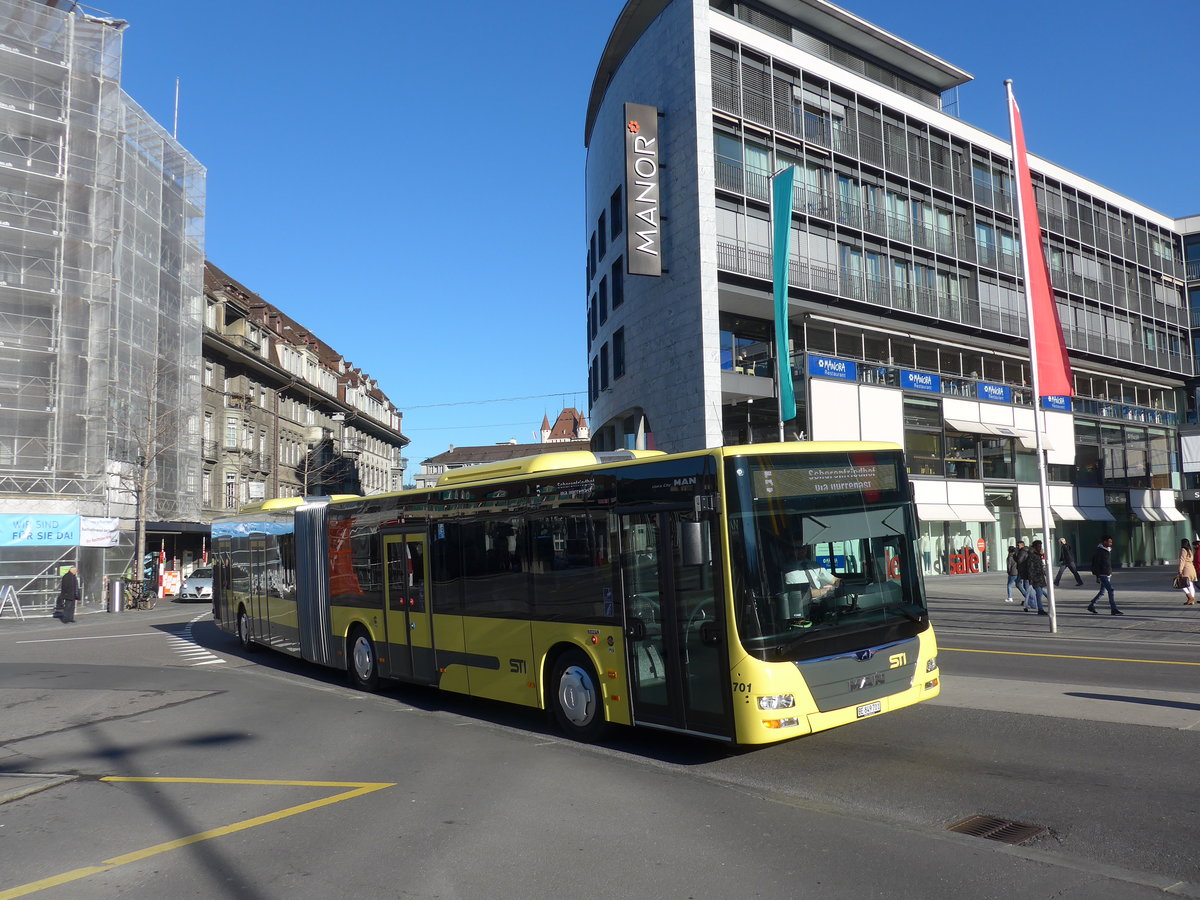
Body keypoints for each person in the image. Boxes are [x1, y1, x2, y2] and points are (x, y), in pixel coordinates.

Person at [1088, 535, 1123, 616]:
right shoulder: (1100, 551)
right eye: (1109, 542)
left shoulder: (1107, 550)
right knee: (1111, 590)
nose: (1111, 543)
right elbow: (1096, 564)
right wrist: (1097, 576)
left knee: (1102, 592)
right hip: (1102, 574)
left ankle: (1092, 605)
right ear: (1104, 542)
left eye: (1111, 541)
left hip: (1107, 574)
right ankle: (1114, 609)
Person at [1023, 540, 1049, 616]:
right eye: (1038, 546)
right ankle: (1040, 609)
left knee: (1040, 592)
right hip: (1036, 578)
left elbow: (1039, 566)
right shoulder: (1032, 555)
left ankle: (1046, 603)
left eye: (1041, 546)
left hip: (1039, 577)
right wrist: (1031, 579)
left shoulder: (1037, 554)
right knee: (1039, 593)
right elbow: (1030, 568)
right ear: (1034, 547)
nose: (1040, 547)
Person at [1178, 538, 1197, 605]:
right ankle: (1192, 600)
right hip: (1191, 568)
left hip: (1186, 569)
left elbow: (1182, 560)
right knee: (1190, 585)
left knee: (1181, 584)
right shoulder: (1190, 550)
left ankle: (1190, 597)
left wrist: (1180, 570)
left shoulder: (1183, 550)